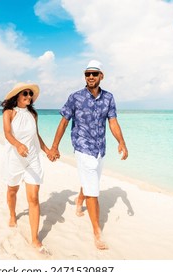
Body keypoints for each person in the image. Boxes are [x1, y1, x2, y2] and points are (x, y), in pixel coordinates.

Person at [47, 60, 128, 250]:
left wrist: (122, 142)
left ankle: (79, 200)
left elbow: (113, 122)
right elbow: (64, 122)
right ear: (85, 76)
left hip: (100, 148)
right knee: (94, 190)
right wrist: (54, 147)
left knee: (92, 180)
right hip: (82, 146)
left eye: (94, 73)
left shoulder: (108, 98)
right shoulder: (75, 97)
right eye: (87, 74)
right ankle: (96, 232)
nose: (90, 77)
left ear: (101, 76)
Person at [0, 82, 50, 255]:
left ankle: (35, 239)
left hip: (33, 159)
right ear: (17, 96)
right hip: (14, 158)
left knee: (34, 198)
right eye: (25, 94)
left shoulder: (33, 114)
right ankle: (13, 215)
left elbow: (36, 135)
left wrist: (48, 150)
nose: (29, 97)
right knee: (12, 190)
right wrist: (18, 145)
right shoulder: (9, 113)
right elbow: (7, 133)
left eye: (30, 94)